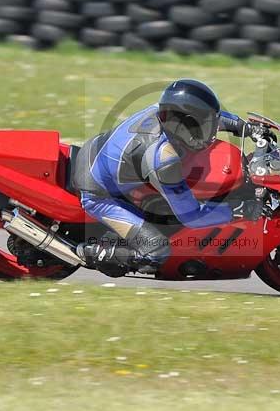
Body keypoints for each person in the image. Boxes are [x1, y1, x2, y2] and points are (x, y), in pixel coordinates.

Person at [71, 79, 268, 277]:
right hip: (99, 196)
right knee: (157, 252)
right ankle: (94, 252)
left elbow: (202, 116)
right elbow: (191, 217)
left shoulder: (165, 112)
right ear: (184, 126)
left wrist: (245, 128)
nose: (212, 132)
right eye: (206, 126)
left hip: (97, 151)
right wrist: (238, 209)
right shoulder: (163, 158)